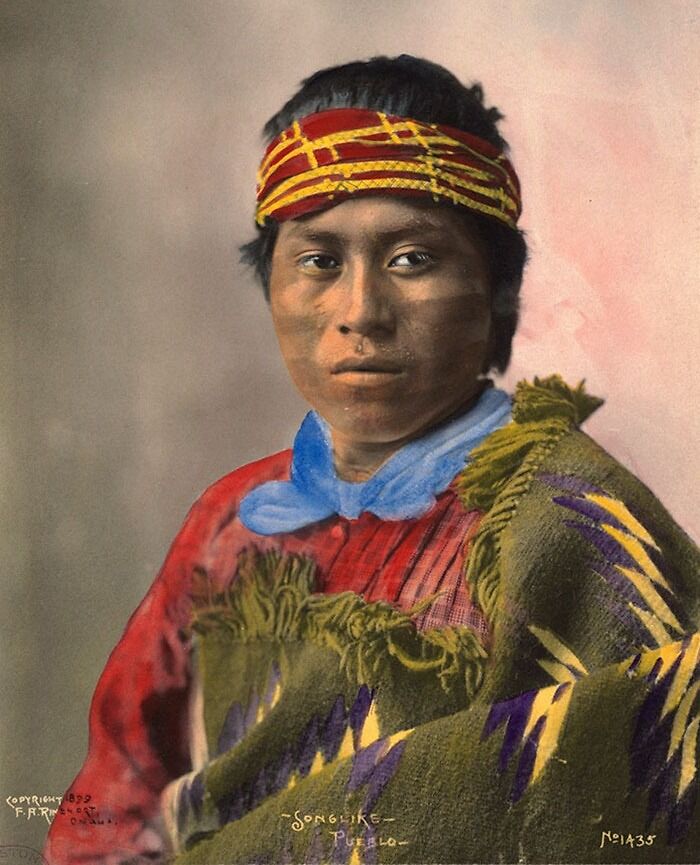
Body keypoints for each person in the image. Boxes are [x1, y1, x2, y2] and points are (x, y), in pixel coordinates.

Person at [45, 55, 700, 865]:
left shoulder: (575, 518)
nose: (361, 312)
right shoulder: (230, 520)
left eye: (412, 259)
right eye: (319, 261)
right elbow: (116, 789)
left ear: (496, 290)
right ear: (272, 286)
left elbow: (658, 798)